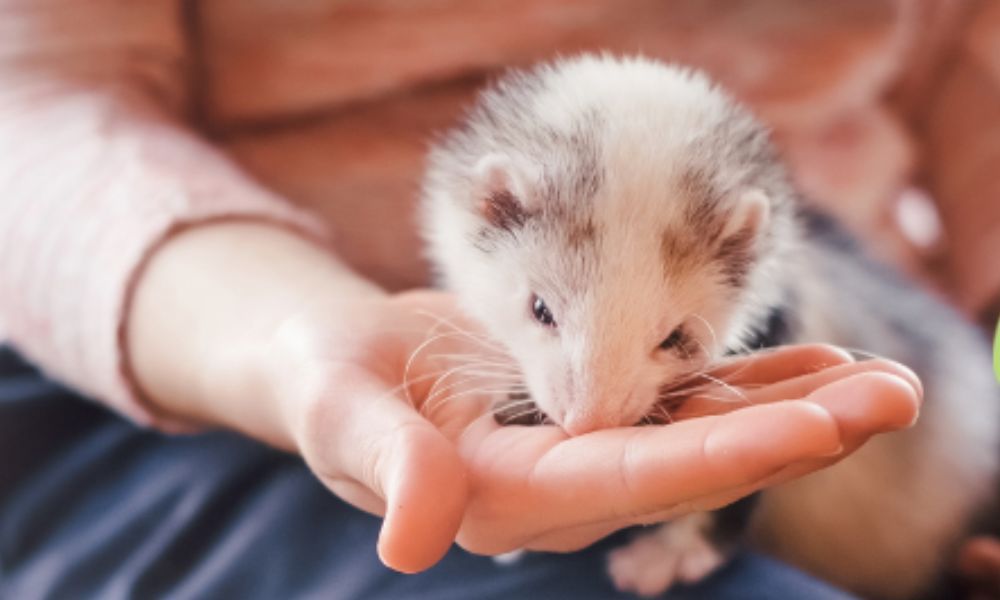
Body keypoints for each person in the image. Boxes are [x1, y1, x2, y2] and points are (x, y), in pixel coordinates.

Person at [0, 2, 922, 598]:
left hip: (873, 301)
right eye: (547, 316)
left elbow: (970, 70)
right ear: (488, 209)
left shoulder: (750, 277)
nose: (591, 414)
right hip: (163, 361)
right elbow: (28, 106)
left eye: (672, 338)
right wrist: (287, 335)